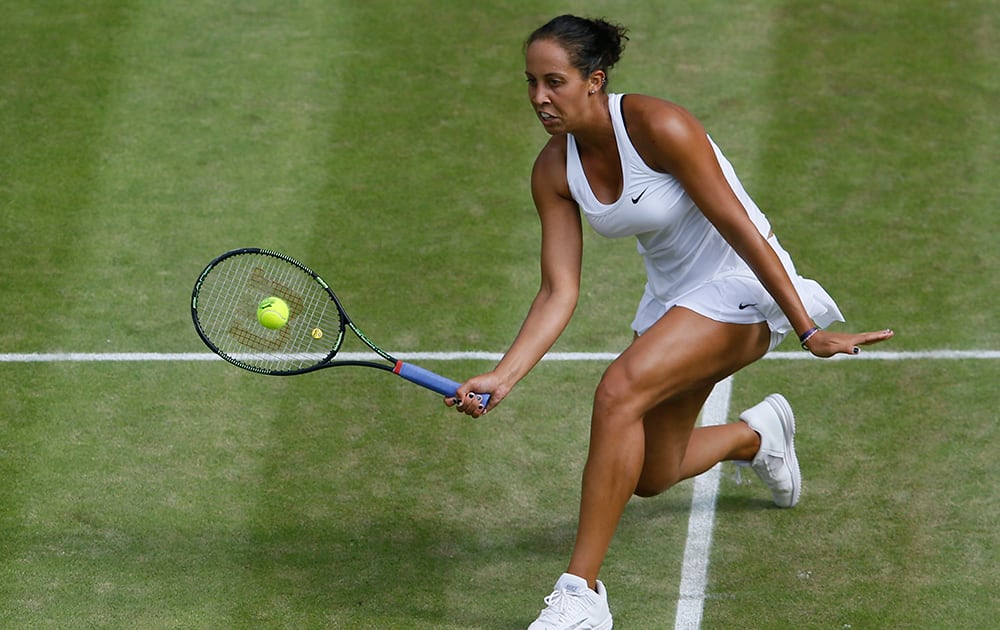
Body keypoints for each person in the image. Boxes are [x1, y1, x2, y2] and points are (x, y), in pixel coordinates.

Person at [449, 14, 894, 629]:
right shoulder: (554, 171)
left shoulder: (659, 126)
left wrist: (806, 325)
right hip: (673, 301)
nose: (538, 98)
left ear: (594, 81)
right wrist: (506, 374)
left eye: (554, 82)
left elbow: (741, 227)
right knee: (653, 472)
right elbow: (559, 289)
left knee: (618, 390)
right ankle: (757, 436)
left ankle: (581, 595)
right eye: (530, 82)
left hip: (742, 285)